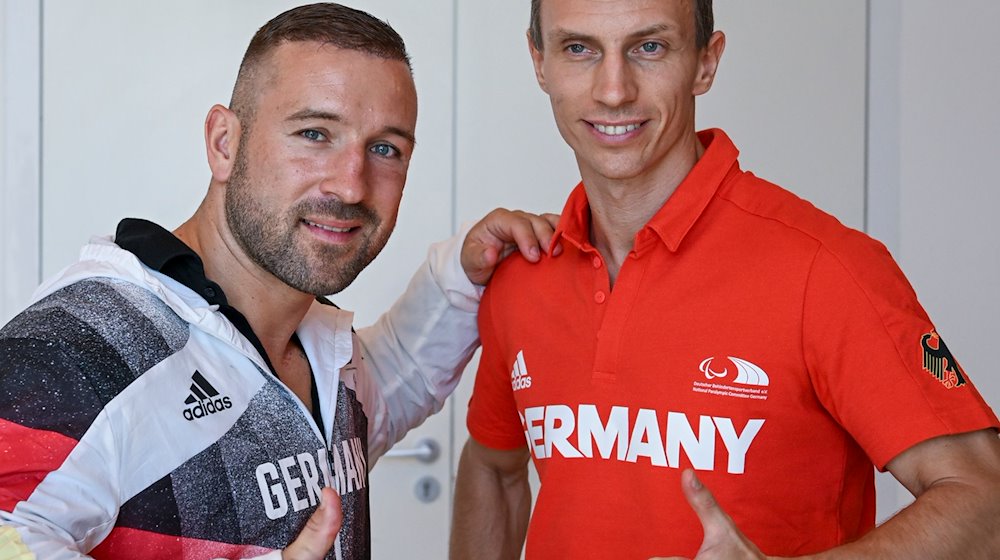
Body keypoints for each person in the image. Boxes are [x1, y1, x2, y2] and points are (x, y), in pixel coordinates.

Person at [0, 4, 557, 560]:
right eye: (314, 133)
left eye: (385, 149)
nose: (351, 186)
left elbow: (396, 378)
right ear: (224, 142)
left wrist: (462, 275)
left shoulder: (316, 345)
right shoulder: (69, 351)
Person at [451, 0, 1000, 559]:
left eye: (649, 47)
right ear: (539, 62)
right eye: (578, 49)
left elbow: (985, 498)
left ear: (705, 64)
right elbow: (494, 468)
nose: (613, 90)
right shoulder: (523, 274)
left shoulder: (827, 268)